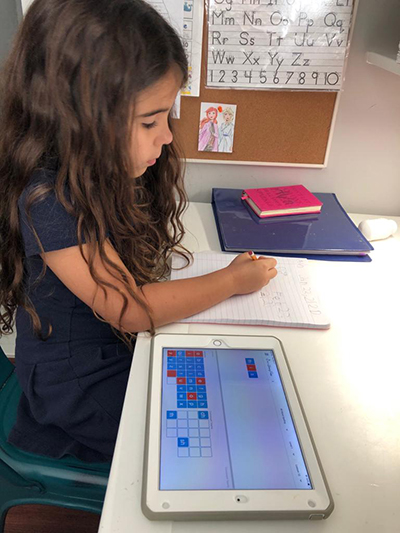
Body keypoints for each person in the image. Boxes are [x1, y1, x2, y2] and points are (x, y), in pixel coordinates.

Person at [0, 0, 277, 463]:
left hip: (113, 349)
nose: (167, 136)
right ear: (78, 118)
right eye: (150, 121)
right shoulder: (48, 198)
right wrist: (231, 281)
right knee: (211, 449)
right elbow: (129, 310)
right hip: (76, 382)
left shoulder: (94, 170)